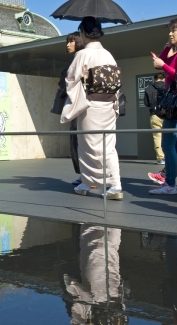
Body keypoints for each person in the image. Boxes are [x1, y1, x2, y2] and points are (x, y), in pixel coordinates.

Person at [61, 17, 123, 199]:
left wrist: (83, 81)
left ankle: (88, 183)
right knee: (108, 146)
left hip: (91, 104)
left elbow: (71, 79)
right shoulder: (108, 54)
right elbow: (115, 81)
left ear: (83, 33)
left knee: (88, 146)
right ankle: (116, 184)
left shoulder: (83, 55)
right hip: (109, 104)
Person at [149, 18, 177, 196]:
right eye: (169, 30)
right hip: (176, 106)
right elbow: (161, 61)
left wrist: (164, 66)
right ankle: (169, 183)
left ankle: (170, 184)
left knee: (168, 145)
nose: (170, 33)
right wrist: (166, 47)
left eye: (174, 30)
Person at [52, 32, 84, 184]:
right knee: (79, 141)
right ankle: (85, 174)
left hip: (80, 106)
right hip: (79, 106)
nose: (68, 44)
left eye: (71, 41)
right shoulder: (76, 61)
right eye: (67, 41)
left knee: (79, 141)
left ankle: (86, 175)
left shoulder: (79, 60)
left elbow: (65, 83)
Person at [144, 72, 166, 164]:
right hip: (168, 115)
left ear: (155, 79)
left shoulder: (149, 88)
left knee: (157, 136)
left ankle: (161, 158)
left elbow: (146, 103)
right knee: (170, 136)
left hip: (154, 115)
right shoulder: (168, 86)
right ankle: (172, 158)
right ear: (164, 79)